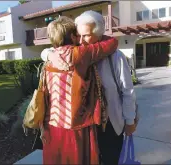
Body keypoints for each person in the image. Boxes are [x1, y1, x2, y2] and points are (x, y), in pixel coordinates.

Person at [42, 11, 137, 165]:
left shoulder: (115, 57)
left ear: (99, 34)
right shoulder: (75, 53)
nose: (80, 40)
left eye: (85, 36)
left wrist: (130, 120)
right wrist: (48, 54)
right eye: (78, 35)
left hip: (110, 124)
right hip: (88, 128)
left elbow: (127, 91)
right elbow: (54, 50)